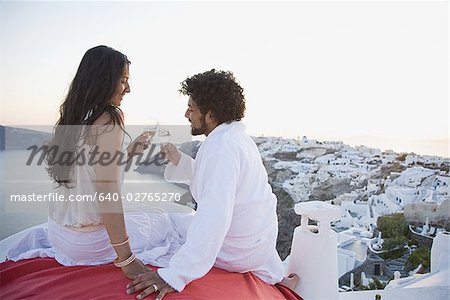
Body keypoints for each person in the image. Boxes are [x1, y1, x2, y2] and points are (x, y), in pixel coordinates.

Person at [6, 45, 190, 279]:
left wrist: (129, 153)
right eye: (124, 80)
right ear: (105, 80)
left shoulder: (72, 117)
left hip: (59, 234)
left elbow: (89, 171)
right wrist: (126, 259)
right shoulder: (110, 118)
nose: (129, 89)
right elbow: (106, 189)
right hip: (87, 244)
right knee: (167, 220)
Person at [126, 69, 299, 299]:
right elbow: (214, 181)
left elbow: (214, 217)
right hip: (259, 248)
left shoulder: (222, 147)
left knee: (166, 218)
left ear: (211, 114)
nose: (186, 114)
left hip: (236, 254)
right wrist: (179, 161)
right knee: (181, 217)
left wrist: (174, 275)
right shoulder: (235, 137)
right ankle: (277, 276)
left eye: (192, 108)